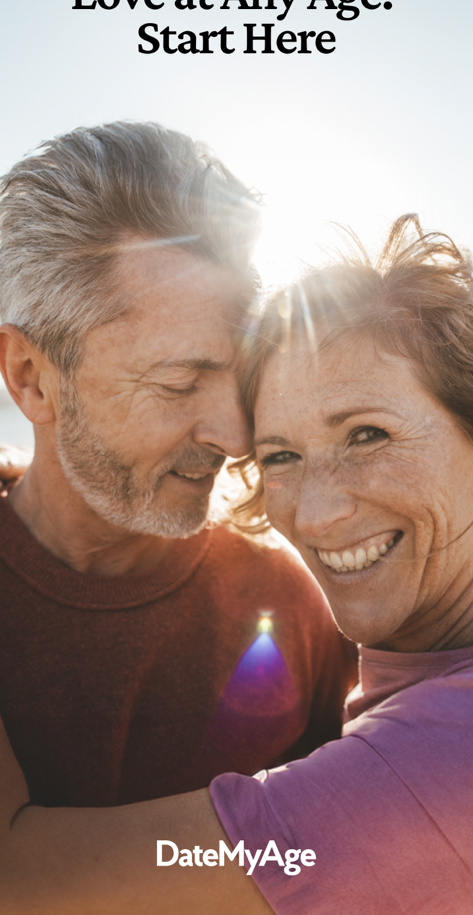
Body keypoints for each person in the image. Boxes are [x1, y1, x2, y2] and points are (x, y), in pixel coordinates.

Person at [2, 213, 472, 914]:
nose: (313, 515)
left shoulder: (427, 770)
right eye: (279, 454)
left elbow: (21, 878)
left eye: (367, 434)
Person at [0, 121, 353, 818]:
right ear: (32, 377)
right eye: (178, 381)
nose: (238, 435)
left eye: (240, 374)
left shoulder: (289, 603)